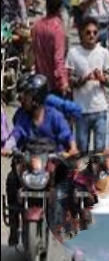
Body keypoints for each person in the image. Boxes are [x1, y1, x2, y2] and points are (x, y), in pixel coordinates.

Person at [4, 74, 79, 247]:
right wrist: (8, 146)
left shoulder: (54, 116)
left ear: (37, 97)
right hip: (29, 161)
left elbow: (67, 135)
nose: (23, 99)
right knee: (12, 180)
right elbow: (16, 134)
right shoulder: (23, 116)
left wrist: (72, 149)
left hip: (52, 160)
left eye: (28, 95)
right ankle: (15, 226)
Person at [66, 17, 109, 154]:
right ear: (81, 33)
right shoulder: (73, 53)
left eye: (94, 32)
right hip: (81, 111)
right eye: (88, 32)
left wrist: (102, 78)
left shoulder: (104, 53)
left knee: (99, 152)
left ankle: (99, 176)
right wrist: (84, 79)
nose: (92, 35)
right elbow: (70, 81)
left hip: (100, 109)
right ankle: (84, 175)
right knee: (83, 152)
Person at [32, 0, 69, 94]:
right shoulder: (58, 28)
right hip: (54, 83)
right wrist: (63, 81)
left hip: (40, 79)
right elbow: (58, 58)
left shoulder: (37, 26)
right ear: (60, 8)